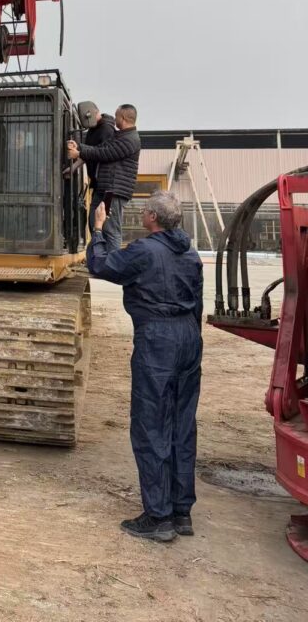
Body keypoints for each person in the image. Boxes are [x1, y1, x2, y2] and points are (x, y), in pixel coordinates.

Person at [87, 190, 203, 543]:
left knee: (152, 424)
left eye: (145, 211)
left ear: (153, 217)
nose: (141, 214)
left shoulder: (145, 251)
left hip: (158, 341)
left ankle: (158, 517)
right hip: (188, 338)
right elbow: (197, 303)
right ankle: (181, 512)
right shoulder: (191, 253)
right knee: (182, 425)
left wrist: (98, 229)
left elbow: (102, 265)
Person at [67, 103, 140, 251]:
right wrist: (79, 147)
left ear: (123, 117)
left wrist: (79, 153)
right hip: (105, 188)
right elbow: (101, 148)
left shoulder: (130, 139)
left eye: (116, 115)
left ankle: (112, 261)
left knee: (110, 230)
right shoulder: (120, 135)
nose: (114, 118)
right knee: (94, 222)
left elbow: (105, 153)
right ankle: (99, 257)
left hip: (114, 191)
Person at [77, 102, 116, 236]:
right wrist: (73, 167)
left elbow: (101, 153)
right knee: (93, 222)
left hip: (106, 184)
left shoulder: (107, 130)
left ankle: (103, 249)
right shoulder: (92, 130)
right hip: (98, 184)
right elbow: (87, 154)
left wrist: (79, 151)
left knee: (104, 226)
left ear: (91, 113)